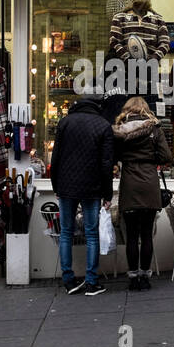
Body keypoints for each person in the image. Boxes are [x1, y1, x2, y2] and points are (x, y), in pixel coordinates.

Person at [49, 96, 114, 296]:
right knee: (91, 233)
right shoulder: (103, 125)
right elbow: (106, 163)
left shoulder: (65, 123)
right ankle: (91, 282)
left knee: (66, 233)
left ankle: (68, 280)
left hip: (66, 185)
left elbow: (56, 156)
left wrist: (56, 185)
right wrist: (107, 193)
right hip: (92, 186)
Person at [112, 96, 172, 291]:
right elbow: (166, 156)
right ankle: (145, 277)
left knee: (131, 235)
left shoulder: (120, 130)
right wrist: (150, 157)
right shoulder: (154, 128)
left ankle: (133, 278)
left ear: (127, 110)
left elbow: (114, 155)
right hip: (149, 183)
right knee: (146, 234)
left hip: (129, 182)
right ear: (146, 109)